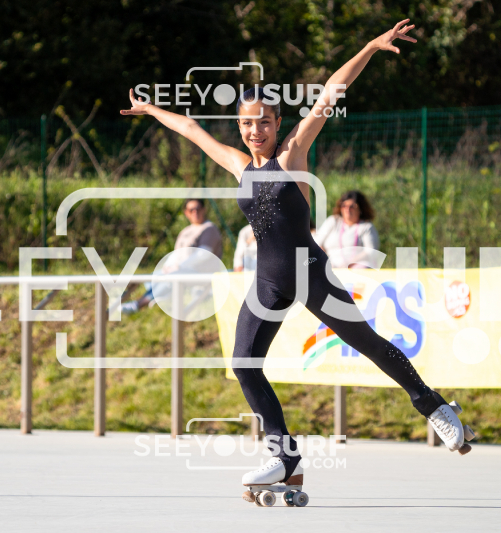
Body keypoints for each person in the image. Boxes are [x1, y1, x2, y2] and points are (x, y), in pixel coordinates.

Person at [121, 19, 471, 492]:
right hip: (268, 280)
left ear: (278, 123)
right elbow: (190, 128)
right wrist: (150, 109)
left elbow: (330, 92)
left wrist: (370, 46)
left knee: (368, 343)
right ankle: (284, 458)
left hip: (309, 273)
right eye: (247, 123)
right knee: (244, 363)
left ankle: (436, 407)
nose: (255, 130)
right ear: (239, 125)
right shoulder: (238, 165)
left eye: (264, 122)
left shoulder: (292, 154)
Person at [120, 199, 222, 314]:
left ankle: (139, 304)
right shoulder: (186, 231)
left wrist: (179, 267)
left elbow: (204, 254)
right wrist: (168, 266)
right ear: (186, 213)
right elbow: (177, 253)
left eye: (197, 209)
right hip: (181, 270)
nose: (195, 212)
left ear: (204, 210)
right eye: (191, 210)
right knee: (151, 278)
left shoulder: (209, 229)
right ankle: (161, 297)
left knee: (170, 277)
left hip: (200, 273)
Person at [314, 190, 380, 268]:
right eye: (344, 206)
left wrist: (350, 263)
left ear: (360, 208)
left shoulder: (366, 227)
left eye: (352, 207)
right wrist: (325, 260)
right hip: (331, 266)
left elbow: (371, 251)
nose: (347, 209)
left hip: (357, 268)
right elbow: (316, 243)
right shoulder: (333, 221)